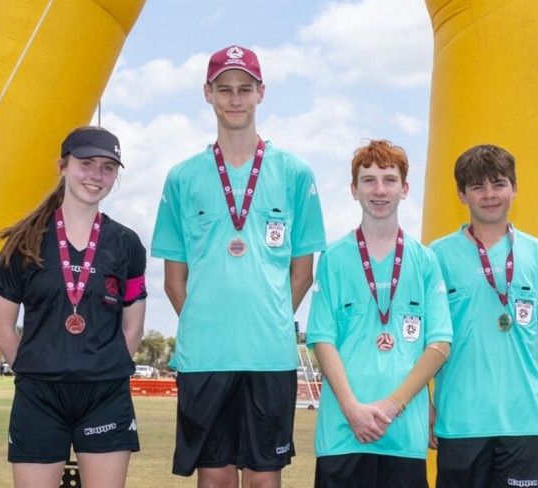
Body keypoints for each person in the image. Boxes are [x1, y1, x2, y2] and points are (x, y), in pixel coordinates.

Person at [150, 45, 326, 487]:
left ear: (260, 93)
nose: (235, 99)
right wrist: (211, 325)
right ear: (207, 93)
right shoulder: (182, 177)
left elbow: (302, 273)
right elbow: (174, 282)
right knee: (213, 478)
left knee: (264, 480)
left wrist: (263, 322)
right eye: (224, 89)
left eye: (244, 89)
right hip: (204, 357)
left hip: (270, 355)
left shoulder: (295, 173)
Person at [0, 126, 147, 488]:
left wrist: (107, 367)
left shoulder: (127, 244)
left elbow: (133, 326)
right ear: (63, 165)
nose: (96, 175)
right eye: (86, 163)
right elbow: (1, 328)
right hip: (39, 396)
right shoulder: (23, 241)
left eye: (108, 167)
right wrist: (35, 371)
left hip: (105, 396)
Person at [306, 139, 452, 488]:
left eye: (389, 179)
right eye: (368, 180)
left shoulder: (425, 261)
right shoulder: (334, 258)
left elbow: (440, 345)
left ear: (405, 188)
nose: (379, 189)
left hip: (403, 437)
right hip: (342, 433)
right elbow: (322, 340)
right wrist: (352, 410)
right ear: (354, 190)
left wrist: (393, 406)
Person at [429, 144, 538, 488]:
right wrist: (426, 405)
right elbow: (424, 342)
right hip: (459, 422)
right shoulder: (436, 256)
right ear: (462, 195)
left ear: (515, 188)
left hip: (525, 422)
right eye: (478, 187)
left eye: (498, 184)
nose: (490, 195)